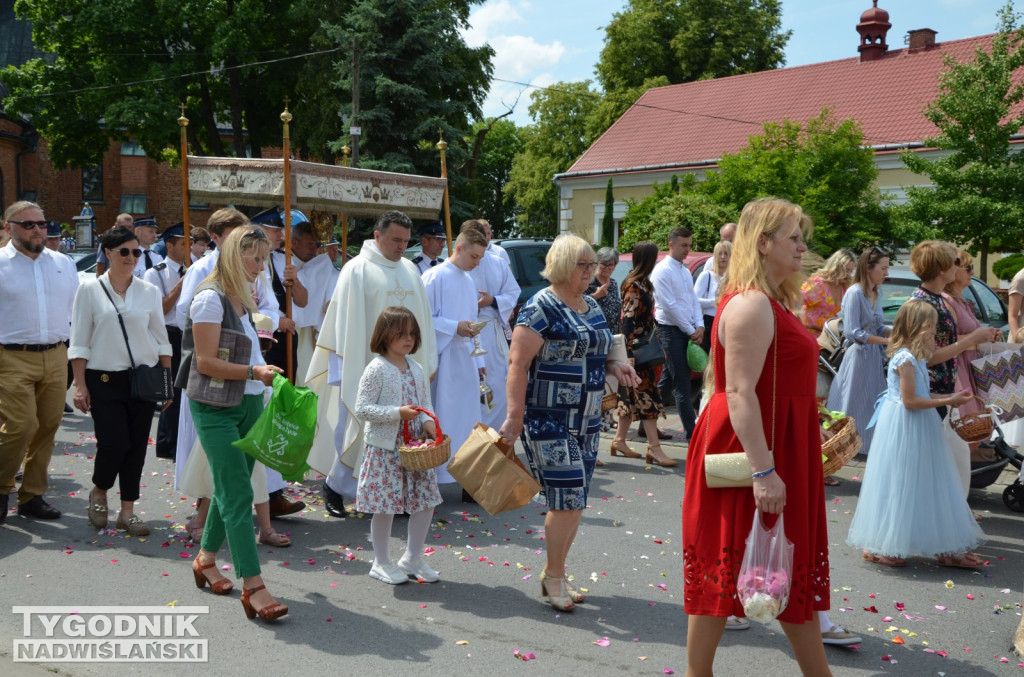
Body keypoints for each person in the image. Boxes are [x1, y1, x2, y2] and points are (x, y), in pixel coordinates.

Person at [682, 198, 832, 677]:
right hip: (753, 447)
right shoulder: (751, 304)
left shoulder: (768, 301)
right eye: (793, 236)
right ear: (763, 243)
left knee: (772, 566)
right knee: (730, 567)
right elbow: (741, 392)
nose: (802, 246)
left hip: (772, 442)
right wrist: (765, 471)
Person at [499, 234, 639, 612]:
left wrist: (618, 366)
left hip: (589, 418)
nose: (592, 272)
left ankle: (555, 573)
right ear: (562, 265)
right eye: (584, 266)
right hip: (549, 419)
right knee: (568, 498)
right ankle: (554, 577)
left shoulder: (589, 306)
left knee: (575, 501)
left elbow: (601, 351)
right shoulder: (539, 307)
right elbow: (518, 365)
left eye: (593, 265)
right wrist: (514, 417)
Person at [179, 227, 288, 621]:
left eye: (264, 258)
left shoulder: (241, 297)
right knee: (238, 494)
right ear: (231, 256)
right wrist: (253, 371)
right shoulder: (209, 297)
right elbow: (204, 362)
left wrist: (258, 374)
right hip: (215, 408)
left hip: (248, 404)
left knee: (231, 492)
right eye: (255, 258)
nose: (262, 267)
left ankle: (206, 560)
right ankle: (254, 586)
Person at [306, 210, 437, 519]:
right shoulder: (356, 269)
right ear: (377, 236)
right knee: (357, 426)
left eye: (406, 241)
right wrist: (349, 368)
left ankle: (395, 495)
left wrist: (424, 361)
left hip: (405, 367)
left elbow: (424, 323)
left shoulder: (410, 270)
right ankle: (335, 487)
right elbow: (346, 325)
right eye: (395, 239)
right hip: (366, 367)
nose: (402, 247)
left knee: (403, 431)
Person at [847, 300, 985, 568]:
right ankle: (887, 543)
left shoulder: (917, 358)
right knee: (903, 480)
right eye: (931, 329)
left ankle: (940, 546)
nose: (934, 334)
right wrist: (947, 400)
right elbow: (910, 401)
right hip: (906, 425)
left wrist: (951, 397)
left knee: (924, 480)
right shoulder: (905, 359)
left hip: (918, 423)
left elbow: (922, 395)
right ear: (916, 329)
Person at [70, 225, 172, 536]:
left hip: (142, 380)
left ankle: (128, 511)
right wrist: (79, 384)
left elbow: (160, 338)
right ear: (108, 253)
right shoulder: (89, 290)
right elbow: (79, 340)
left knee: (137, 446)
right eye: (124, 252)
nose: (131, 257)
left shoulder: (149, 291)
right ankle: (100, 490)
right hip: (102, 379)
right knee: (114, 443)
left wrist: (166, 380)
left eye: (136, 252)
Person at [0, 201, 78, 523]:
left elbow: (76, 310)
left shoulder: (63, 263)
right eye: (28, 224)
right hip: (11, 355)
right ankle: (2, 486)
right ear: (8, 228)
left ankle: (32, 494)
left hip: (57, 354)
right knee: (21, 425)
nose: (38, 230)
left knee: (48, 425)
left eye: (42, 224)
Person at [355, 307, 442, 585]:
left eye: (412, 334)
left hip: (414, 447)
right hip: (385, 447)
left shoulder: (416, 368)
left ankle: (412, 557)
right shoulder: (377, 368)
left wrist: (428, 421)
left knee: (425, 500)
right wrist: (397, 413)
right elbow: (363, 408)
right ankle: (380, 562)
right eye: (401, 333)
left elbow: (425, 402)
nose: (408, 339)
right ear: (385, 335)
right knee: (386, 504)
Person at [910, 241, 999, 496]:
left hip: (943, 394)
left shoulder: (936, 300)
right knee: (945, 463)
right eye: (957, 261)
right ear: (942, 268)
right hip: (932, 397)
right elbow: (924, 359)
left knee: (954, 462)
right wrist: (970, 341)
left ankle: (948, 514)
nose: (961, 266)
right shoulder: (924, 305)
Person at [422, 228, 488, 484]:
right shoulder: (434, 277)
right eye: (474, 256)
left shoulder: (469, 281)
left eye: (480, 257)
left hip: (466, 359)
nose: (477, 262)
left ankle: (466, 475)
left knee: (469, 420)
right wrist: (453, 327)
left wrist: (480, 360)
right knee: (444, 415)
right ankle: (434, 474)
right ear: (458, 248)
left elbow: (474, 323)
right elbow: (422, 319)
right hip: (444, 358)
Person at [609, 241, 674, 466]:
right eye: (654, 257)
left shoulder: (643, 283)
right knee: (648, 397)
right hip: (636, 352)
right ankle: (655, 448)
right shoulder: (634, 286)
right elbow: (626, 321)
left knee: (630, 396)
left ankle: (619, 441)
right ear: (647, 259)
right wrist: (628, 353)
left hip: (641, 348)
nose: (657, 261)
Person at [825, 248, 891, 452]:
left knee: (871, 402)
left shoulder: (875, 292)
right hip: (858, 356)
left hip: (872, 356)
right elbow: (853, 332)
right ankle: (832, 449)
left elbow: (876, 326)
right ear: (868, 268)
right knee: (849, 403)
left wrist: (894, 334)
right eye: (883, 268)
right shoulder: (855, 292)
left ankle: (861, 446)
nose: (886, 273)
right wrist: (884, 341)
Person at [461, 220, 520, 431]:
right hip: (462, 334)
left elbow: (513, 292)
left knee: (496, 387)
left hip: (490, 333)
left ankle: (494, 443)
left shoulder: (497, 262)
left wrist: (492, 301)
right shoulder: (451, 265)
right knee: (470, 389)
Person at [651, 227, 703, 440]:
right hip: (670, 331)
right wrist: (692, 330)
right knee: (682, 383)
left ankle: (647, 424)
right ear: (671, 244)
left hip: (685, 329)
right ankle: (692, 434)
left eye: (689, 246)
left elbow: (693, 300)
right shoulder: (662, 271)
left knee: (668, 381)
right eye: (684, 245)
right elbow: (669, 306)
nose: (687, 250)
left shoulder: (683, 271)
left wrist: (699, 325)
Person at [144, 224, 189, 460]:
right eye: (183, 244)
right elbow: (160, 309)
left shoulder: (191, 269)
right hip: (168, 335)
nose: (188, 248)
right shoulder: (156, 273)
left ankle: (176, 441)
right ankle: (168, 444)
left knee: (184, 391)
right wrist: (182, 283)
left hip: (187, 335)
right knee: (171, 391)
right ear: (169, 246)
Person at [292, 221, 339, 386]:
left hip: (313, 331)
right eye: (309, 244)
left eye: (315, 244)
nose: (313, 249)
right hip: (293, 328)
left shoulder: (322, 265)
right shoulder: (284, 263)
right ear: (294, 243)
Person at [800, 249, 856, 338]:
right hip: (808, 335)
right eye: (846, 270)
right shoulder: (818, 284)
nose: (849, 275)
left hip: (828, 337)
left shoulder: (844, 286)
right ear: (836, 267)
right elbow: (792, 304)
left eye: (851, 271)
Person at [694, 240, 732, 354]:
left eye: (726, 253)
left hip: (728, 320)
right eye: (719, 254)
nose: (723, 257)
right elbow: (694, 300)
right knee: (709, 358)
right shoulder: (707, 275)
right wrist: (715, 301)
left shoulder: (734, 278)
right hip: (710, 321)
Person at [586, 247, 622, 334]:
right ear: (597, 264)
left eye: (610, 265)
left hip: (613, 333)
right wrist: (595, 296)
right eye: (604, 264)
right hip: (596, 333)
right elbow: (577, 305)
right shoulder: (589, 282)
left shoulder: (613, 283)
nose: (607, 268)